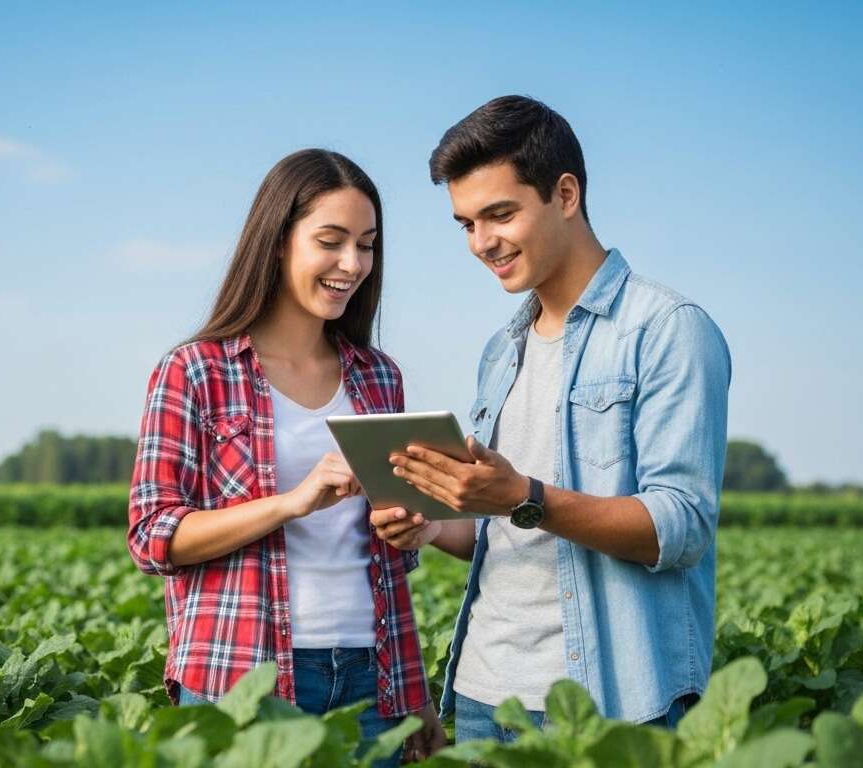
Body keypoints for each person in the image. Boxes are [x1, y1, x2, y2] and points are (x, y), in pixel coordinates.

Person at [371, 96, 732, 741]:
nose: (482, 243)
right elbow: (500, 530)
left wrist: (524, 496)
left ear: (565, 195)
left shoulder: (668, 331)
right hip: (486, 695)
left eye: (499, 214)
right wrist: (431, 526)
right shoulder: (501, 349)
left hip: (609, 701)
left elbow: (680, 526)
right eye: (465, 224)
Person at [128, 148, 445, 764]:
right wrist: (292, 503)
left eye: (367, 244)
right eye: (331, 241)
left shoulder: (379, 378)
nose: (351, 264)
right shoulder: (195, 371)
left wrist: (415, 529)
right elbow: (152, 536)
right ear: (277, 241)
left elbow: (391, 566)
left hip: (371, 675)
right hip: (241, 678)